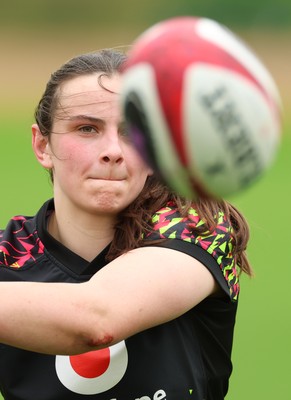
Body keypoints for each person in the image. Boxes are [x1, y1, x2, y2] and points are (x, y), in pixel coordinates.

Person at [0, 49, 252, 400]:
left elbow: (97, 320)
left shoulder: (197, 229)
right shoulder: (8, 256)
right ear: (43, 145)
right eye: (87, 129)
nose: (112, 150)